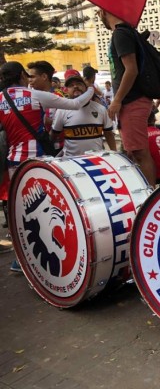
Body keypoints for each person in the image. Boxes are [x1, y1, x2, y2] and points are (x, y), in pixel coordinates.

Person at [0, 61, 94, 272]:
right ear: (22, 76)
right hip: (37, 160)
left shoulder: (0, 99)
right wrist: (89, 89)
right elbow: (75, 104)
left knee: (22, 210)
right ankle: (54, 256)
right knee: (45, 207)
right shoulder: (34, 95)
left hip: (14, 161)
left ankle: (20, 259)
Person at [98, 7, 157, 186]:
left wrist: (116, 101)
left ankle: (149, 194)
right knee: (134, 151)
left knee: (139, 152)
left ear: (103, 11)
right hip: (133, 100)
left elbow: (131, 70)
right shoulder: (125, 32)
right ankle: (146, 191)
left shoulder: (120, 34)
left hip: (132, 100)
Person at [51, 69, 116, 157]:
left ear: (86, 88)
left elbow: (109, 134)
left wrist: (115, 154)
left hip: (97, 159)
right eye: (71, 85)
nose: (75, 86)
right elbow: (54, 135)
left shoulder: (100, 109)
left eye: (79, 84)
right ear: (66, 90)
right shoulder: (62, 110)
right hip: (71, 161)